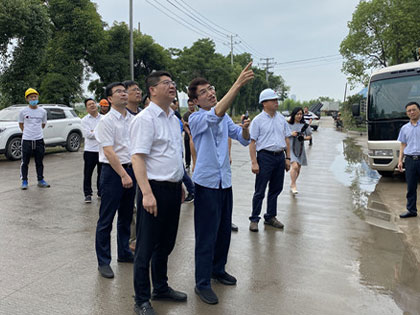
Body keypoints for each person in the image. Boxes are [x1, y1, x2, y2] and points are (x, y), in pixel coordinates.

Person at [188, 62, 254, 305]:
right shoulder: (196, 118)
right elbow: (214, 115)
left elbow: (242, 139)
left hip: (224, 182)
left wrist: (245, 130)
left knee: (224, 230)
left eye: (211, 88)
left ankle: (218, 269)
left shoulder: (223, 116)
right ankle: (202, 283)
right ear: (195, 100)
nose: (210, 92)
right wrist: (237, 83)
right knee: (206, 234)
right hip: (205, 185)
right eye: (204, 91)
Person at [130, 71, 187, 315]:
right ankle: (141, 299)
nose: (172, 86)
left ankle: (161, 287)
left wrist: (181, 181)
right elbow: (138, 157)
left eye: (173, 83)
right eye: (166, 83)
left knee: (166, 243)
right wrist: (146, 193)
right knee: (145, 247)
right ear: (152, 90)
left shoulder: (173, 119)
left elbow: (174, 154)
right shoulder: (145, 119)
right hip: (153, 189)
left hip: (174, 189)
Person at [94, 82, 136, 279]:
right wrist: (123, 174)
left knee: (126, 216)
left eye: (124, 91)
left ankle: (124, 252)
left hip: (131, 170)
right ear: (109, 99)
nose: (123, 94)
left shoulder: (132, 119)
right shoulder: (106, 121)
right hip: (113, 173)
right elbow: (109, 151)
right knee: (106, 218)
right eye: (118, 92)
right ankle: (103, 261)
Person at [248, 89, 291, 232]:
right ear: (264, 103)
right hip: (265, 157)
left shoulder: (281, 119)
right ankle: (254, 219)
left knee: (275, 189)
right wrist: (254, 162)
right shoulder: (258, 121)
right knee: (260, 190)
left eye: (276, 100)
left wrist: (288, 157)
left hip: (279, 157)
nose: (276, 102)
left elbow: (286, 138)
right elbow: (252, 142)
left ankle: (270, 216)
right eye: (273, 100)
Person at [19, 88, 50, 189]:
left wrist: (36, 132)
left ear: (38, 97)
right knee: (25, 162)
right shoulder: (23, 111)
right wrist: (28, 133)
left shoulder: (43, 111)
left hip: (39, 139)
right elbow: (21, 124)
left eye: (35, 97)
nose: (33, 98)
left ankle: (40, 180)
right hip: (27, 140)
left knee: (39, 161)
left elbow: (43, 124)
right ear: (27, 99)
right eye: (31, 97)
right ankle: (24, 181)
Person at [397, 101, 420, 219]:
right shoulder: (404, 128)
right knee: (411, 187)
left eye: (414, 109)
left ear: (419, 110)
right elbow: (403, 145)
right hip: (410, 160)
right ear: (407, 113)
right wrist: (400, 161)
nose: (412, 112)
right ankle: (411, 210)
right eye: (409, 111)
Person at [81, 98, 102, 203]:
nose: (92, 105)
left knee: (101, 173)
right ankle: (87, 194)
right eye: (89, 104)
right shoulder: (84, 120)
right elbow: (88, 135)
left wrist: (94, 131)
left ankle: (101, 192)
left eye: (93, 103)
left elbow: (106, 132)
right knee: (88, 173)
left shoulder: (103, 118)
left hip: (102, 150)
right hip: (90, 151)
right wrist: (99, 132)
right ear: (86, 108)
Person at [288, 107, 312, 195]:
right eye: (297, 114)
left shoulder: (305, 125)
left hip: (300, 149)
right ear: (293, 115)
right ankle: (294, 185)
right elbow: (283, 134)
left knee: (298, 168)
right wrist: (291, 134)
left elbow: (310, 136)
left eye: (301, 114)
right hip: (290, 148)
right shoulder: (288, 125)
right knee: (294, 166)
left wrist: (303, 138)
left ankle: (292, 183)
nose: (299, 116)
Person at [183, 99, 195, 171]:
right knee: (188, 151)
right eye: (189, 105)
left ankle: (196, 164)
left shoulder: (197, 113)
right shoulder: (186, 115)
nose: (191, 106)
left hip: (196, 137)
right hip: (188, 136)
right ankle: (188, 165)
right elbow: (184, 125)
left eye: (192, 105)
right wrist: (189, 133)